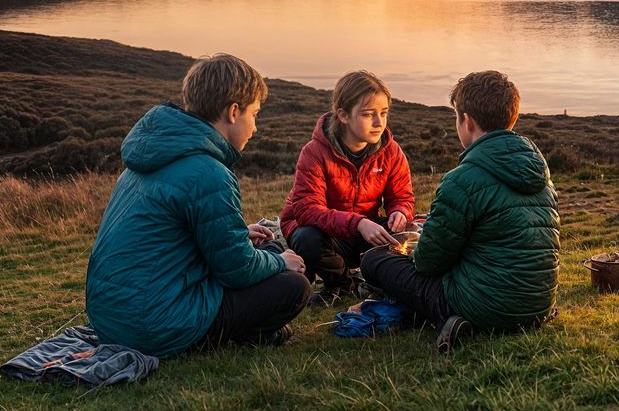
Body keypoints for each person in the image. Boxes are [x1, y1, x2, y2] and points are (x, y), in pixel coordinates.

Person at [85, 54, 310, 357]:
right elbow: (238, 270)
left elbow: (165, 236)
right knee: (293, 285)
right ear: (233, 112)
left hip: (110, 320)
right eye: (254, 114)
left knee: (266, 250)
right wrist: (282, 262)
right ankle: (251, 334)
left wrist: (237, 234)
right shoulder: (208, 172)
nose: (255, 127)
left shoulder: (147, 158)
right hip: (156, 326)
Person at [359, 70, 559, 353]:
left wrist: (415, 246)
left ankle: (458, 319)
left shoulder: (462, 179)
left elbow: (429, 263)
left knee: (374, 260)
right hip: (539, 305)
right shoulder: (541, 173)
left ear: (467, 121)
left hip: (484, 306)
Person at [280, 70, 415, 306]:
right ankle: (342, 284)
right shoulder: (314, 152)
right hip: (325, 236)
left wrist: (400, 212)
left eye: (383, 113)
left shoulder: (391, 152)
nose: (379, 122)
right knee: (306, 237)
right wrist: (358, 223)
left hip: (364, 231)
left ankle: (376, 278)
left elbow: (402, 196)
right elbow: (306, 210)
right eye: (368, 114)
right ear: (343, 115)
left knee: (408, 233)